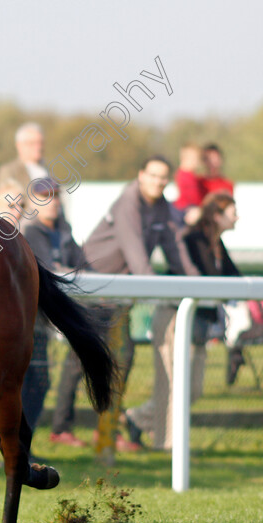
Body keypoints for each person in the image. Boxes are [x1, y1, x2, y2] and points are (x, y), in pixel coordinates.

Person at [82, 155, 199, 455]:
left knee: (120, 361)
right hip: (92, 293)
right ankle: (67, 432)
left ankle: (105, 440)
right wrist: (154, 286)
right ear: (141, 175)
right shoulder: (129, 203)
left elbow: (175, 250)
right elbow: (136, 256)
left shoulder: (161, 207)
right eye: (154, 176)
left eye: (164, 178)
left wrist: (200, 283)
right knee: (78, 367)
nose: (159, 182)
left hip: (117, 297)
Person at [123, 192, 239, 450]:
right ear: (218, 215)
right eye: (233, 212)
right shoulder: (194, 239)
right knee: (173, 386)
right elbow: (203, 276)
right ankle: (168, 446)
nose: (238, 217)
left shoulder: (217, 245)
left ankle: (137, 418)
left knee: (193, 389)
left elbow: (234, 279)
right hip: (174, 317)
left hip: (197, 324)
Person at [20, 179, 89, 447]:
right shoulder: (30, 230)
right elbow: (51, 269)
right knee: (33, 383)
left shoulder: (62, 229)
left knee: (39, 384)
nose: (53, 202)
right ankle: (17, 449)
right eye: (45, 197)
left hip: (43, 322)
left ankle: (23, 448)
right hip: (27, 322)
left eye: (56, 196)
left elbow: (79, 265)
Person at [0, 122, 46, 214]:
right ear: (19, 145)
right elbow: (4, 206)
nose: (38, 147)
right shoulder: (8, 171)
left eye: (40, 143)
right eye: (32, 143)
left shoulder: (45, 170)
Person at [172, 143, 204, 225]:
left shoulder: (192, 176)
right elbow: (189, 196)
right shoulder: (183, 175)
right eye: (195, 159)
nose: (197, 162)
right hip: (185, 211)